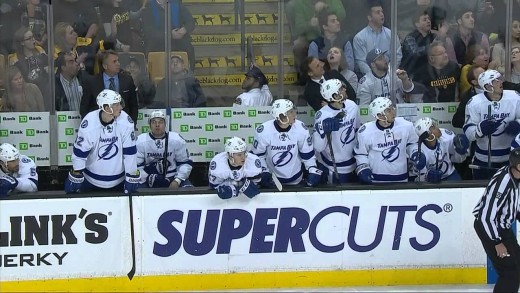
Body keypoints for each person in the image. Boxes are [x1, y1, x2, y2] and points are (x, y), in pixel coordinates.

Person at [64, 89, 140, 194]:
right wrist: (77, 172)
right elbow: (80, 153)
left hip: (118, 181)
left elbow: (130, 153)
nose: (121, 107)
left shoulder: (125, 121)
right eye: (116, 104)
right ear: (106, 108)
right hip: (91, 180)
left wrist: (131, 175)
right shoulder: (89, 123)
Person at [473, 147, 520, 293]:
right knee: (510, 273)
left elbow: (511, 206)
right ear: (517, 165)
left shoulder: (515, 177)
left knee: (517, 265)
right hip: (490, 229)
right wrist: (497, 242)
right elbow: (486, 217)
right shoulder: (503, 182)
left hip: (502, 228)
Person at [251, 99, 322, 187]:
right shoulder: (264, 131)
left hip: (297, 179)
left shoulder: (300, 128)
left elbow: (307, 155)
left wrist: (312, 169)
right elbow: (258, 156)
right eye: (291, 112)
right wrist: (264, 171)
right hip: (273, 180)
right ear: (281, 116)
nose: (295, 114)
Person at [463, 70, 520, 180]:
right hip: (483, 159)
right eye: (495, 80)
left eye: (500, 78)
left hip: (512, 157)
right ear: (488, 86)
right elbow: (468, 131)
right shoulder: (474, 103)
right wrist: (479, 130)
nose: (500, 82)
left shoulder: (515, 97)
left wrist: (518, 124)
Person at [354, 96, 425, 184]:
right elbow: (361, 153)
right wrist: (363, 167)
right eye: (389, 110)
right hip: (376, 179)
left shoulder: (406, 125)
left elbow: (412, 143)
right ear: (379, 115)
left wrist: (415, 153)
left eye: (392, 108)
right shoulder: (366, 131)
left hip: (401, 177)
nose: (393, 112)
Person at [313, 79, 359, 183]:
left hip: (354, 163)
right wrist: (323, 130)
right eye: (341, 89)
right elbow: (318, 147)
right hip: (334, 168)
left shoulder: (352, 106)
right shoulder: (322, 115)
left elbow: (356, 130)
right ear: (334, 96)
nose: (344, 89)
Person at [136, 110, 193, 188]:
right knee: (136, 191)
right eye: (153, 122)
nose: (157, 125)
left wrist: (177, 180)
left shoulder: (176, 139)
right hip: (148, 178)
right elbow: (137, 167)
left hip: (173, 177)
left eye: (160, 122)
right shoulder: (140, 141)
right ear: (149, 125)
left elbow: (185, 163)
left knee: (189, 192)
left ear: (165, 124)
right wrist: (147, 178)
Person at [80, 50, 138, 125]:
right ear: (105, 66)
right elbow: (84, 108)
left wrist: (131, 124)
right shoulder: (91, 82)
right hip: (99, 127)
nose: (118, 64)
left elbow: (133, 106)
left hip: (122, 126)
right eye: (114, 62)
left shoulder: (127, 80)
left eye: (118, 61)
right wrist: (91, 125)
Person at [357, 48, 424, 105]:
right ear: (373, 65)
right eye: (380, 58)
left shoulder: (395, 73)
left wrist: (404, 79)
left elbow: (409, 89)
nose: (384, 60)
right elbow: (363, 108)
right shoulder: (365, 83)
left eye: (383, 56)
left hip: (399, 113)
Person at [142, 0, 196, 70]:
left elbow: (191, 21)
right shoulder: (148, 6)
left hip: (178, 42)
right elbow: (148, 31)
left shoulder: (176, 4)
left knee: (189, 48)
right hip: (157, 44)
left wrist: (183, 30)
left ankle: (189, 76)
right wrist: (169, 35)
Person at [412, 117, 469, 182]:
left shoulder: (446, 136)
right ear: (429, 136)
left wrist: (461, 152)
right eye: (433, 126)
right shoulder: (420, 151)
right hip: (430, 182)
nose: (437, 127)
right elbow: (417, 179)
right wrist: (427, 176)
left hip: (450, 175)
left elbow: (458, 160)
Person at [353, 1, 402, 75]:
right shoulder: (359, 38)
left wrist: (388, 73)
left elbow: (397, 56)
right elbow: (361, 62)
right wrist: (375, 76)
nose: (382, 14)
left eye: (382, 12)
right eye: (378, 12)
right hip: (369, 78)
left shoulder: (392, 34)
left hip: (390, 75)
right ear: (369, 17)